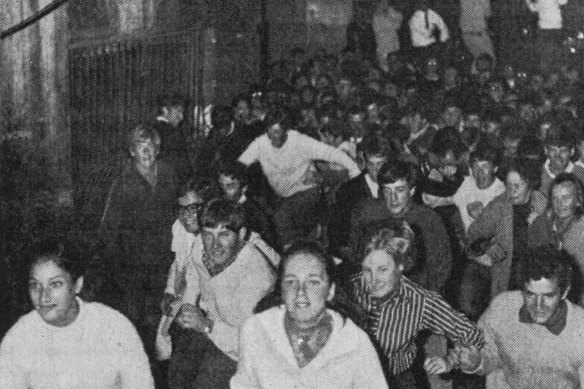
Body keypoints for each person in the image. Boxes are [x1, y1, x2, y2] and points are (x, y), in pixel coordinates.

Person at [231, 241, 389, 389]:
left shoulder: (356, 343)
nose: (300, 292)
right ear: (281, 290)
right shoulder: (255, 329)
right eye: (291, 282)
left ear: (330, 291)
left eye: (313, 282)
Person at [0, 239, 154, 389]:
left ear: (77, 285)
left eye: (55, 284)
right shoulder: (17, 340)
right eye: (35, 285)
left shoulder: (114, 326)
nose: (43, 297)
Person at [349, 222, 484, 388]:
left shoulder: (420, 301)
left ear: (400, 266)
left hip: (395, 381)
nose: (373, 280)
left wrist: (450, 360)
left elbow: (471, 334)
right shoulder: (349, 287)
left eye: (383, 269)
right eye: (367, 270)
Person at [168, 199, 278, 389]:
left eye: (224, 234)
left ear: (242, 234)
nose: (214, 245)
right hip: (212, 324)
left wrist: (206, 325)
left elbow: (248, 343)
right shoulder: (200, 247)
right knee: (176, 376)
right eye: (208, 234)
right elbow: (195, 275)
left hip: (239, 350)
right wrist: (187, 307)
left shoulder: (257, 277)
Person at [98, 124, 178, 359]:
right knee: (133, 319)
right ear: (132, 152)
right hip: (132, 264)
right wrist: (111, 266)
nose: (147, 153)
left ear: (158, 149)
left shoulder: (168, 174)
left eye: (151, 147)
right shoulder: (122, 184)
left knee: (162, 315)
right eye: (141, 148)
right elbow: (109, 229)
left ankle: (161, 364)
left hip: (164, 258)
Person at [457, 245, 584, 388]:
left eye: (548, 296)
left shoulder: (580, 330)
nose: (538, 306)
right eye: (530, 294)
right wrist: (477, 361)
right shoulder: (502, 307)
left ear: (565, 292)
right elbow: (490, 355)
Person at [238, 107, 361, 247]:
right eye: (269, 132)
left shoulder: (300, 142)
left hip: (307, 191)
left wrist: (355, 172)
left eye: (277, 132)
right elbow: (240, 164)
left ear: (286, 130)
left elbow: (333, 154)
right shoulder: (261, 143)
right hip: (283, 196)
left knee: (281, 217)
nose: (272, 136)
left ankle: (292, 253)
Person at [461, 158, 547, 319]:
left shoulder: (542, 204)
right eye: (508, 185)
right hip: (507, 278)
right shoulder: (499, 206)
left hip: (535, 278)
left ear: (529, 184)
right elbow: (473, 234)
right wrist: (486, 245)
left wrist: (539, 225)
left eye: (517, 186)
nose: (511, 191)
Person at [152, 93, 191, 183]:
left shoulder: (150, 129)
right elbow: (182, 169)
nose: (181, 117)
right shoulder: (172, 134)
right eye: (178, 111)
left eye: (182, 112)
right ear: (165, 110)